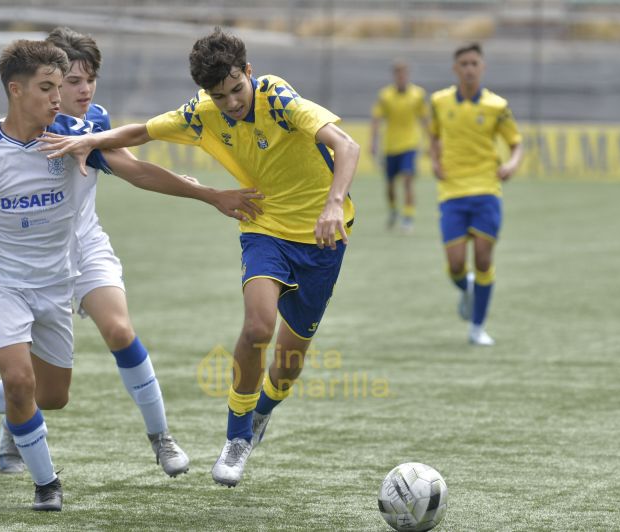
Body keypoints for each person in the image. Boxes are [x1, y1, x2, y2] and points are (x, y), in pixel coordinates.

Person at [0, 39, 261, 511]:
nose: (63, 96)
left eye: (68, 84)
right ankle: (47, 486)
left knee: (55, 392)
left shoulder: (76, 135)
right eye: (51, 87)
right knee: (19, 381)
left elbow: (134, 171)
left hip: (62, 272)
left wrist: (211, 194)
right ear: (17, 91)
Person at [39, 27, 359, 487]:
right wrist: (95, 140)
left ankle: (263, 410)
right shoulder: (203, 113)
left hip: (323, 237)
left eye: (236, 89)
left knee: (287, 365)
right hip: (263, 226)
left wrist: (333, 204)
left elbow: (347, 146)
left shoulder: (278, 99)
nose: (231, 102)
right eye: (219, 94)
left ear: (248, 73)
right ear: (205, 92)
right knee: (257, 327)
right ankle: (237, 438)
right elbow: (143, 133)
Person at [0, 26, 192, 479]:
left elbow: (132, 168)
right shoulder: (32, 124)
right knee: (41, 383)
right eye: (71, 81)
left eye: (88, 79)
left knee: (120, 330)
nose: (81, 90)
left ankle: (161, 438)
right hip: (38, 259)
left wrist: (200, 190)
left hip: (86, 245)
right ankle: (5, 419)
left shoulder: (95, 119)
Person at [428, 43, 523, 346]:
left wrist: (511, 164)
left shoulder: (497, 106)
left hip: (486, 191)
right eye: (464, 63)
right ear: (456, 69)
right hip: (452, 192)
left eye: (474, 63)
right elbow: (433, 136)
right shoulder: (439, 102)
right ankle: (467, 287)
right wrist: (434, 160)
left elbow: (516, 144)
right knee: (456, 265)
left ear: (482, 67)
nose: (469, 68)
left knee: (483, 260)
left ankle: (477, 328)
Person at [370, 61, 428, 232]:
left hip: (410, 144)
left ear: (408, 75)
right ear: (394, 76)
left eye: (404, 74)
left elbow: (425, 119)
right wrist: (373, 143)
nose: (401, 77)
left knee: (408, 179)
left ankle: (408, 217)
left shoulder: (418, 95)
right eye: (398, 74)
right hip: (390, 146)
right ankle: (394, 210)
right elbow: (376, 120)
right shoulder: (385, 95)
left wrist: (430, 142)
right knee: (390, 185)